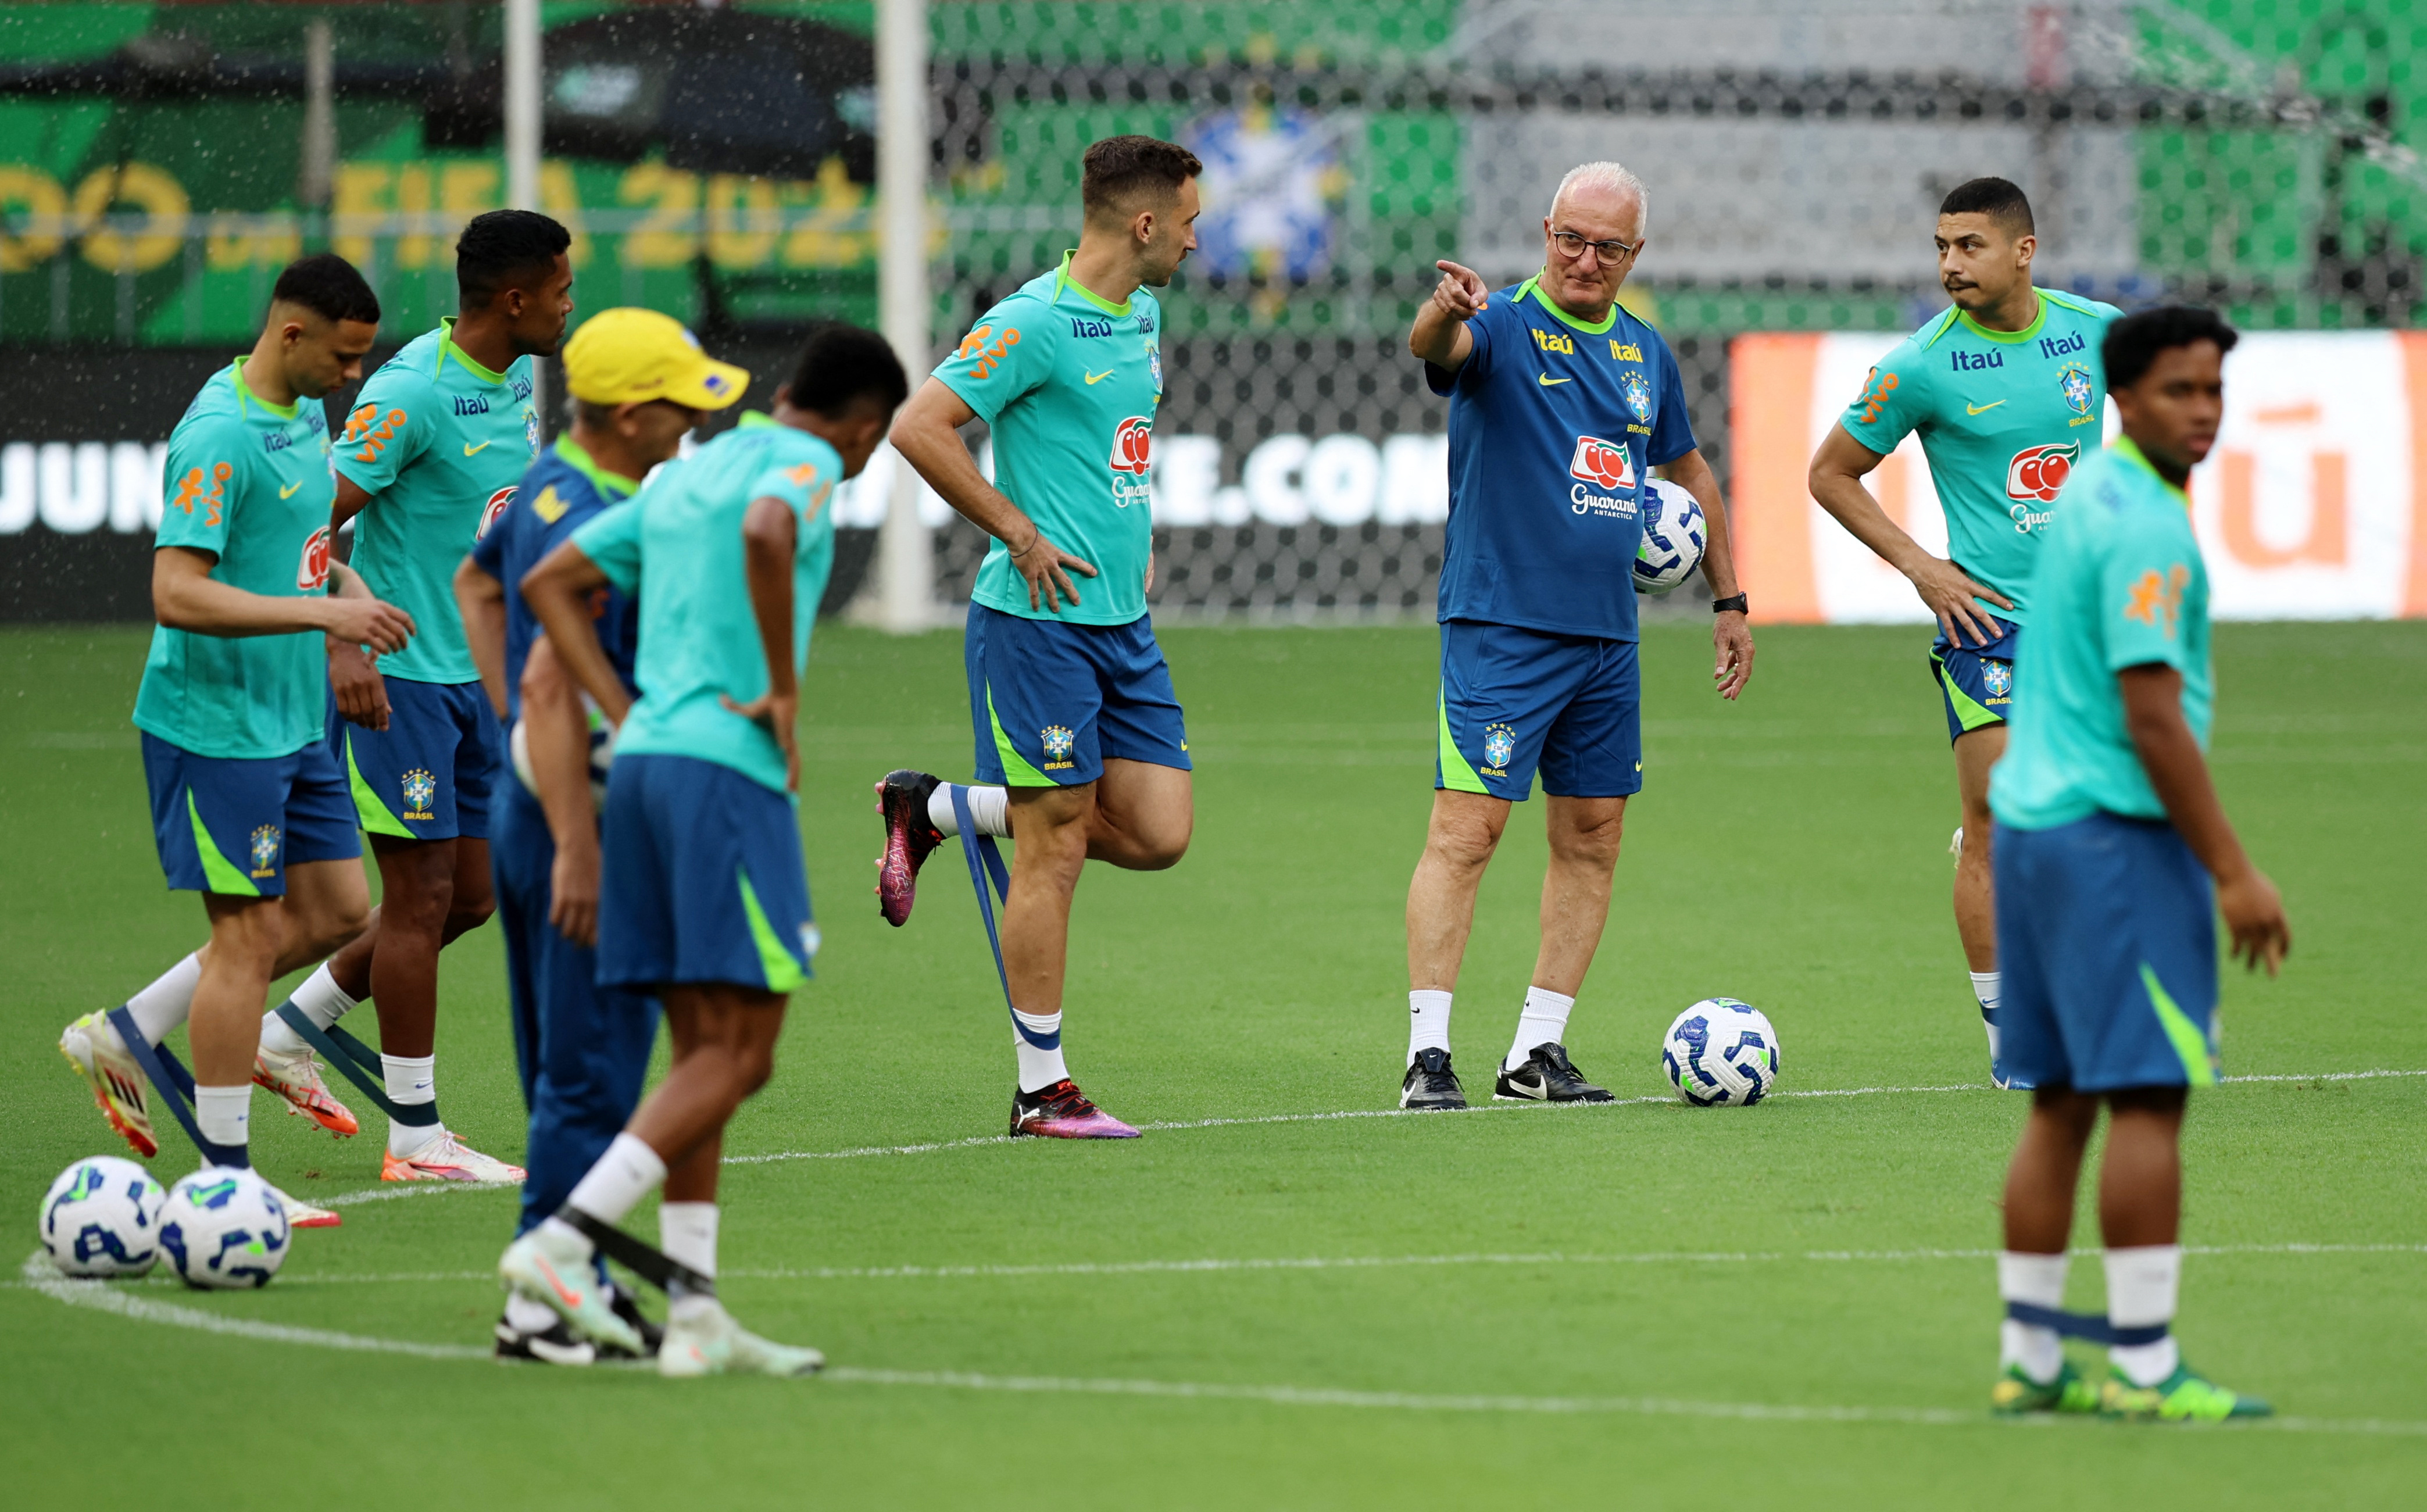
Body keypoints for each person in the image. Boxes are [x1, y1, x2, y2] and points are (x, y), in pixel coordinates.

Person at [500, 323, 906, 1377]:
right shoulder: (805, 463)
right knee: (744, 1053)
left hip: (638, 774)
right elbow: (773, 534)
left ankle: (692, 1312)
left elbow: (547, 581)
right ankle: (560, 1242)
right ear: (864, 432)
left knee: (697, 1055)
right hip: (726, 773)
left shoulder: (698, 464)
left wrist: (624, 709)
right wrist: (784, 687)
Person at [56, 254, 411, 1226]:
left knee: (341, 910)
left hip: (292, 718)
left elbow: (296, 545)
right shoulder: (218, 434)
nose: (354, 379)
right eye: (344, 359)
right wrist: (322, 623)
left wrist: (345, 591)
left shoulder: (304, 407)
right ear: (290, 334)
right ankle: (226, 1180)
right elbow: (176, 591)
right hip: (216, 728)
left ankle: (132, 1029)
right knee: (246, 938)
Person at [1396, 160, 1754, 1111]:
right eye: (1570, 238)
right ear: (1545, 229)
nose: (1585, 259)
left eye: (1608, 247)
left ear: (1636, 254)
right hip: (1502, 625)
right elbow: (1434, 347)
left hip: (1607, 638)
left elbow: (1691, 471)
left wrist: (1729, 599)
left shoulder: (1646, 353)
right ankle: (1428, 1054)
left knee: (1593, 840)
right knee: (1466, 833)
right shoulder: (1504, 325)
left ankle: (1535, 1054)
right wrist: (1443, 308)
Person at [872, 134, 1202, 1139]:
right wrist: (1015, 528)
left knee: (1156, 831)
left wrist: (1130, 532)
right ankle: (1040, 1088)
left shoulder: (1140, 311)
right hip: (1035, 626)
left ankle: (933, 808)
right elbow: (919, 425)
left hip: (1121, 622)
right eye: (1189, 222)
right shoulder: (1033, 321)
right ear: (1144, 224)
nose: (1197, 241)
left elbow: (1114, 450)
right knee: (1054, 844)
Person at [1987, 305, 2283, 1421]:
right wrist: (2232, 871)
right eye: (2179, 391)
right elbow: (2153, 716)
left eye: (2213, 390)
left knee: (2059, 1102)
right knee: (2149, 1099)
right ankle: (2148, 1367)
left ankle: (2032, 1357)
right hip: (2113, 839)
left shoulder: (2088, 491)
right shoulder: (2149, 526)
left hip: (2033, 828)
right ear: (2123, 396)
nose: (2202, 412)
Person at [255, 209, 574, 1182]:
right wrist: (339, 642)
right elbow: (309, 521)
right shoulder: (411, 394)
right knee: (421, 894)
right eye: (561, 290)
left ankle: (289, 1032)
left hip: (478, 677)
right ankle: (417, 1138)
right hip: (401, 685)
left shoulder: (519, 370)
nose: (571, 306)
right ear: (515, 299)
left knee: (469, 897)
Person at [454, 308, 745, 1363]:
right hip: (586, 823)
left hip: (529, 806)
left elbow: (477, 585)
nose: (691, 426)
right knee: (594, 1070)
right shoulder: (605, 522)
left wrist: (509, 741)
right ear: (629, 415)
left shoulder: (548, 483)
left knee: (557, 1063)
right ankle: (540, 1304)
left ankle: (575, 1282)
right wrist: (580, 836)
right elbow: (549, 676)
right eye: (679, 406)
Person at [1807, 177, 2122, 1086]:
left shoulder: (2096, 333)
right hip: (1989, 624)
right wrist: (1923, 567)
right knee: (1996, 823)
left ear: (2024, 250)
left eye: (1970, 247)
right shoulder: (1923, 364)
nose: (1949, 265)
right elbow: (1831, 474)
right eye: (1942, 247)